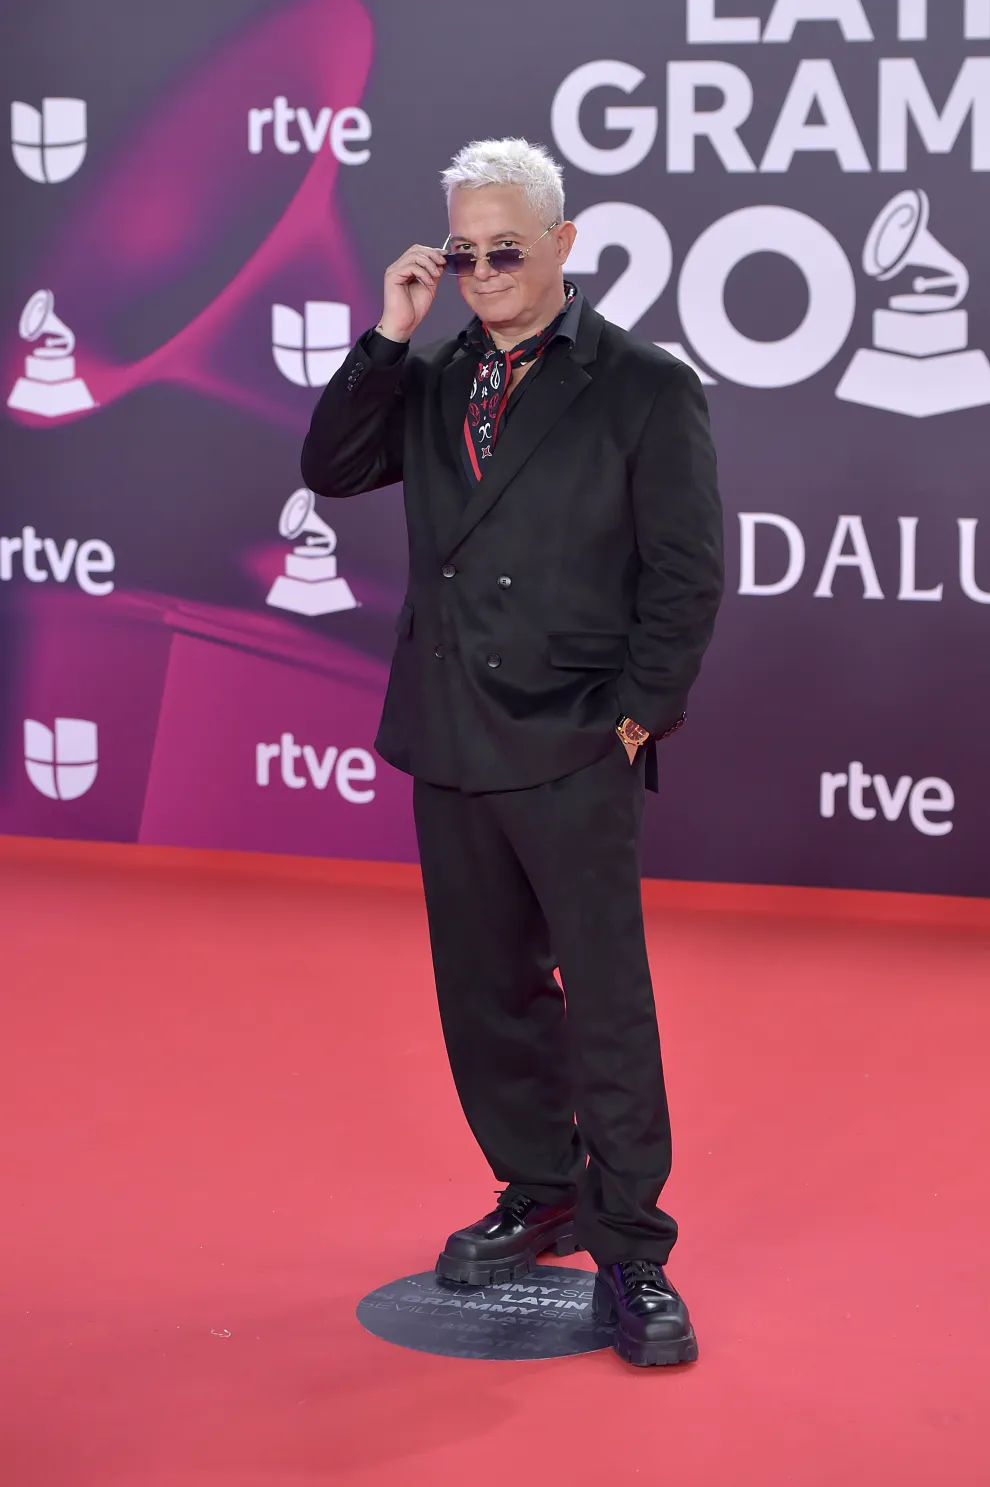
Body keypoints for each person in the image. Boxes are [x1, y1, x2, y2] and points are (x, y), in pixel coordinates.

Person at [301, 138, 723, 1368]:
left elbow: (687, 575)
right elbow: (329, 467)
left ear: (562, 245)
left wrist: (637, 715)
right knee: (483, 992)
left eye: (505, 248)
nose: (483, 269)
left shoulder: (645, 386)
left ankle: (634, 1247)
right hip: (448, 733)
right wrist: (388, 332)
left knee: (605, 1000)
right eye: (464, 249)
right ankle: (537, 1185)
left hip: (575, 735)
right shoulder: (428, 381)